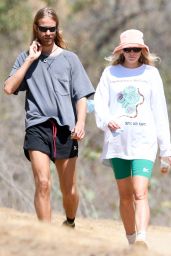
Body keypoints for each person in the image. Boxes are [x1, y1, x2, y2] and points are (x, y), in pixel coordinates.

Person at [4, 7, 95, 228]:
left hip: (65, 128)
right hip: (37, 127)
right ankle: (47, 236)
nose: (47, 33)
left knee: (69, 190)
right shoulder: (25, 58)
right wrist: (29, 60)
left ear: (57, 29)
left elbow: (81, 95)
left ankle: (70, 222)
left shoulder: (70, 59)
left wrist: (81, 123)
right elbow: (8, 88)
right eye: (43, 28)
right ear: (36, 28)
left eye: (51, 29)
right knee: (43, 183)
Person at [94, 29, 171, 247]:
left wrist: (166, 149)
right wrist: (107, 119)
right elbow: (99, 103)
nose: (132, 53)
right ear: (121, 50)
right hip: (118, 143)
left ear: (142, 50)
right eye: (128, 49)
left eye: (136, 49)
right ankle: (131, 241)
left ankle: (142, 239)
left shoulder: (151, 74)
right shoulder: (110, 73)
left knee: (140, 192)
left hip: (144, 142)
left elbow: (159, 111)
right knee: (125, 196)